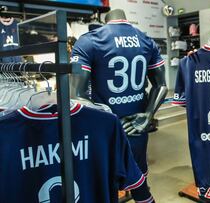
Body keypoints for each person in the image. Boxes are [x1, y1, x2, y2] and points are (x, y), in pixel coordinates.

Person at [70, 9, 168, 203]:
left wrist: (109, 120)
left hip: (104, 130)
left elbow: (76, 95)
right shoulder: (147, 41)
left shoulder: (89, 40)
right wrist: (148, 116)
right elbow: (161, 85)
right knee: (140, 184)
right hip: (137, 125)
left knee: (106, 186)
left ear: (105, 20)